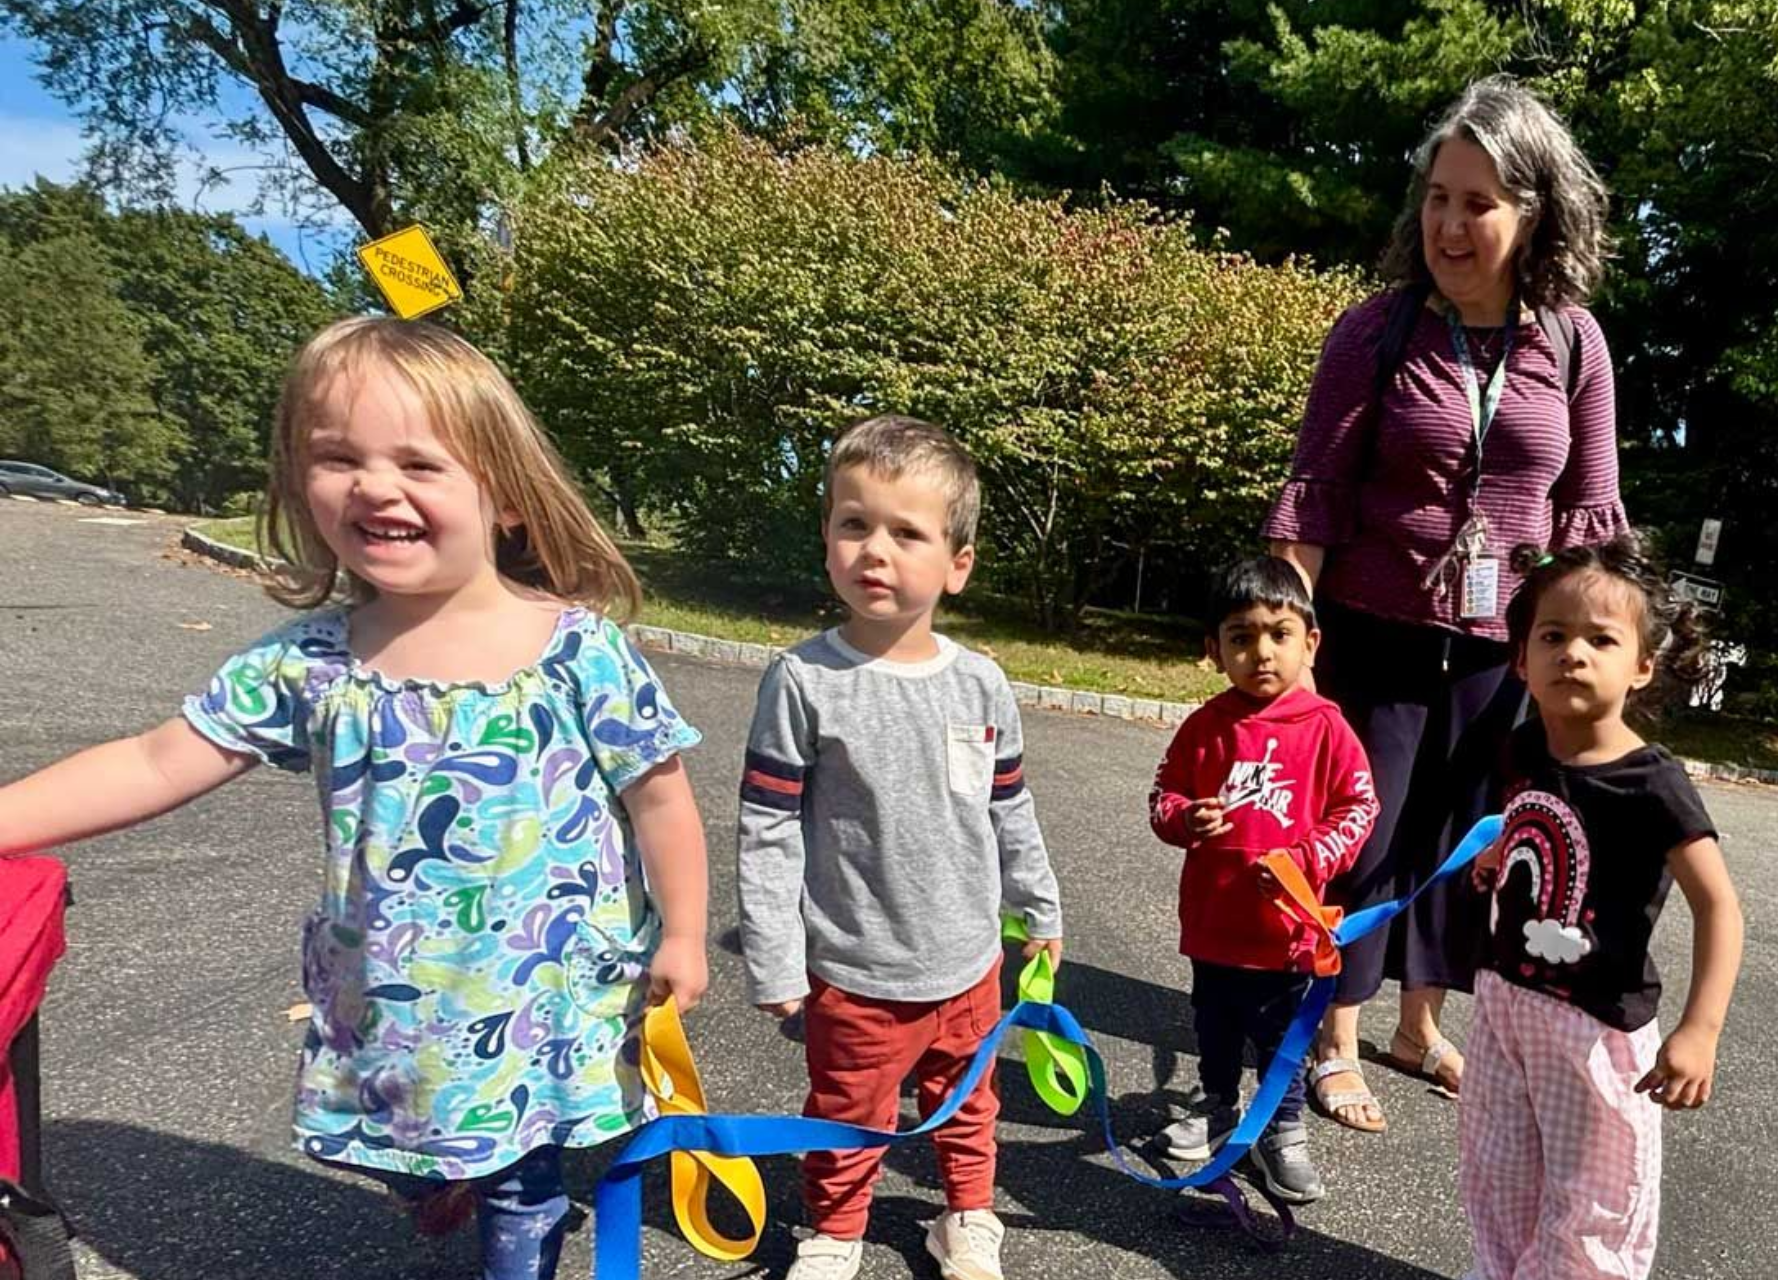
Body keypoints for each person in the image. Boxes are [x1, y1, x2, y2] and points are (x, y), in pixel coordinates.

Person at [0, 318, 711, 1280]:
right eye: (338, 458)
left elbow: (661, 798)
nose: (377, 487)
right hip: (391, 1001)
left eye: (420, 463)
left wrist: (684, 933)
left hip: (543, 994)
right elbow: (160, 759)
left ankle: (516, 1217)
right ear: (301, 483)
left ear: (505, 495)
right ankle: (439, 1179)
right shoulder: (312, 662)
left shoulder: (574, 652)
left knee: (522, 1179)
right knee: (403, 1154)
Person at [1263, 75, 1624, 1131]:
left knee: (1464, 844)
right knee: (1363, 841)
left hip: (1499, 651)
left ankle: (1418, 1023)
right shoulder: (1375, 333)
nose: (1449, 224)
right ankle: (1335, 1036)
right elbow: (1311, 503)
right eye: (1437, 197)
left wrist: (1586, 669)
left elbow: (1591, 519)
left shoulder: (1573, 343)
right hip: (1372, 633)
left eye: (1478, 203)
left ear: (1535, 213)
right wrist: (1285, 659)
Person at [736, 415, 1064, 1280]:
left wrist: (1039, 907)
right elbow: (767, 828)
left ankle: (966, 1217)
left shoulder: (982, 681)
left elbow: (1009, 806)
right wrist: (774, 959)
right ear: (828, 539)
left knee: (968, 1108)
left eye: (905, 532)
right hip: (854, 968)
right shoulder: (803, 680)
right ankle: (837, 1230)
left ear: (956, 565)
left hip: (969, 962)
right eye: (854, 523)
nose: (874, 549)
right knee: (848, 1111)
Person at [1461, 535, 1743, 1279]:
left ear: (1642, 665)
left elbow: (1719, 908)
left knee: (1598, 1196)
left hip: (1594, 1031)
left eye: (1600, 639)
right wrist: (1496, 860)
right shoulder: (1523, 749)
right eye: (1551, 636)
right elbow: (1530, 824)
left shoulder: (1652, 782)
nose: (1573, 654)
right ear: (1520, 657)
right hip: (1503, 1003)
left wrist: (1700, 1031)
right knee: (1499, 1170)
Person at [1146, 557, 1379, 1205]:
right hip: (1215, 925)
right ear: (1213, 650)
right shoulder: (1206, 727)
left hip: (1289, 931)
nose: (1261, 652)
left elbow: (1360, 808)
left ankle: (1283, 1128)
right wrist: (1186, 818)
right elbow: (1163, 797)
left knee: (1281, 1037)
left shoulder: (1327, 727)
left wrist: (1309, 856)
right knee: (1213, 1025)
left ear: (1311, 643)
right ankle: (1217, 1104)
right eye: (1240, 637)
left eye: (1279, 634)